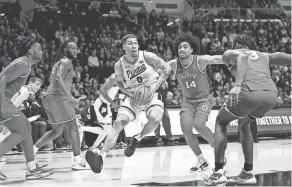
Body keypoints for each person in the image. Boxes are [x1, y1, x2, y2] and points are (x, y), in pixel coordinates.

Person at [205, 34, 292, 186]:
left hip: (249, 92)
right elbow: (280, 56)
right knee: (244, 123)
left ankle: (218, 172)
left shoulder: (233, 53)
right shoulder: (263, 55)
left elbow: (242, 57)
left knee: (221, 122)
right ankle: (248, 172)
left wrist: (237, 85)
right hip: (271, 95)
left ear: (237, 45)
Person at [85, 34, 171, 173]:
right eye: (130, 43)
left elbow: (167, 68)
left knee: (155, 119)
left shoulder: (147, 56)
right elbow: (118, 82)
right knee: (118, 124)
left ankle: (138, 138)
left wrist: (156, 85)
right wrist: (127, 91)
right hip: (134, 98)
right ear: (124, 47)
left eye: (136, 43)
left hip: (152, 94)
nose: (134, 46)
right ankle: (101, 156)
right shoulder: (119, 65)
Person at [168, 33, 226, 172]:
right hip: (188, 102)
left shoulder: (200, 60)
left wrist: (237, 57)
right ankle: (201, 160)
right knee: (186, 129)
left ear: (192, 50)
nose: (182, 49)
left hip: (204, 99)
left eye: (185, 47)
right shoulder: (173, 64)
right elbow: (157, 70)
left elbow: (218, 58)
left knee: (199, 125)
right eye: (180, 47)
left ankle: (218, 152)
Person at [0, 37, 54, 181]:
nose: (42, 51)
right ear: (30, 51)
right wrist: (3, 105)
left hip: (5, 101)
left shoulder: (26, 64)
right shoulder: (23, 63)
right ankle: (31, 168)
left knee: (26, 128)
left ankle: (31, 168)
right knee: (21, 130)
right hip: (2, 101)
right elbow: (1, 79)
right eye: (39, 49)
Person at [33, 41, 87, 170]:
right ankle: (77, 161)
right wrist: (69, 96)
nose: (76, 50)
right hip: (58, 97)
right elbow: (58, 78)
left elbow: (57, 78)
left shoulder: (58, 63)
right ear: (65, 50)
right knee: (73, 127)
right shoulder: (66, 61)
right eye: (72, 48)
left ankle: (32, 150)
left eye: (76, 48)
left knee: (57, 130)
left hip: (48, 98)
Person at [80, 74, 119, 149]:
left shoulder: (120, 81)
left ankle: (93, 147)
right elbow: (102, 91)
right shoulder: (113, 79)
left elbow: (113, 94)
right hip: (102, 104)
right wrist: (112, 102)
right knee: (107, 131)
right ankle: (82, 128)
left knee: (105, 131)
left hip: (105, 105)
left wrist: (123, 97)